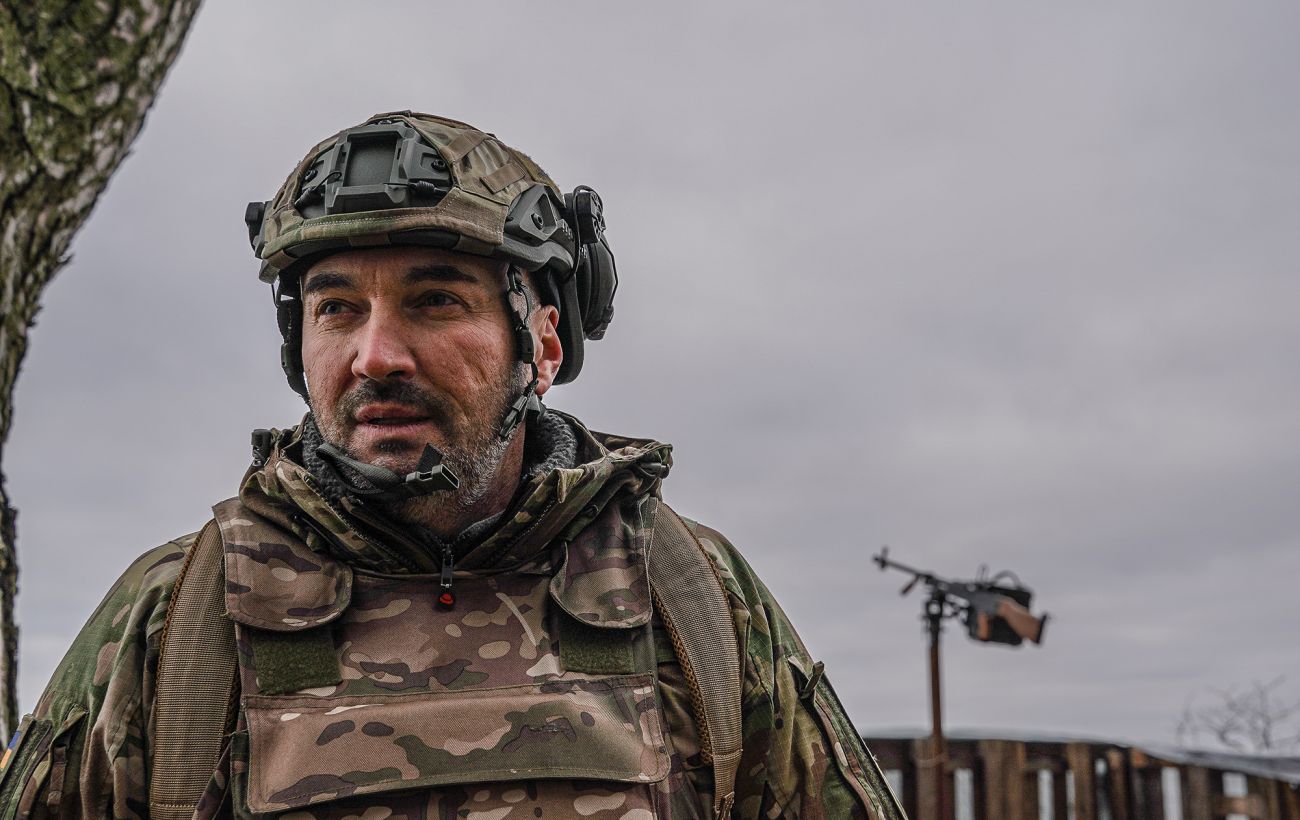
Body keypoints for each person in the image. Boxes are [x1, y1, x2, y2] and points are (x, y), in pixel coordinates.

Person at [0, 112, 906, 819]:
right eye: (336, 309)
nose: (376, 355)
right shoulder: (179, 619)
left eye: (435, 300)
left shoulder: (690, 595)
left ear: (541, 344)